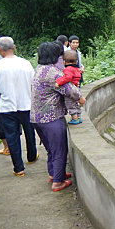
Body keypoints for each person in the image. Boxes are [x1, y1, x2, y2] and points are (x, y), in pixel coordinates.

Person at [31, 42, 85, 191]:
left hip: (36, 118)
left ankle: (54, 174)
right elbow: (71, 92)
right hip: (51, 118)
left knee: (51, 149)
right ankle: (58, 182)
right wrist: (81, 99)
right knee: (59, 150)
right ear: (56, 56)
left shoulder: (39, 69)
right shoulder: (54, 73)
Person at [0, 36, 37, 177]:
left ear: (0, 50)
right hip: (26, 104)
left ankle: (19, 168)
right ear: (14, 48)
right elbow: (33, 84)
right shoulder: (26, 63)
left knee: (12, 136)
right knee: (29, 131)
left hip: (7, 107)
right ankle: (32, 156)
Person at [55, 50, 82, 124]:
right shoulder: (76, 69)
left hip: (71, 90)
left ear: (64, 62)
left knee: (70, 104)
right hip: (76, 88)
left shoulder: (67, 69)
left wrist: (58, 82)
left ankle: (74, 119)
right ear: (76, 62)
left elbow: (68, 78)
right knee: (76, 103)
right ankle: (79, 117)